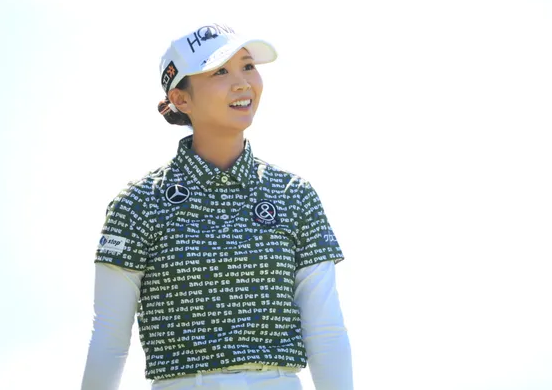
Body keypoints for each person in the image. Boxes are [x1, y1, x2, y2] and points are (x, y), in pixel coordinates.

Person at [81, 22, 353, 390]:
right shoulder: (138, 203)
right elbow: (109, 340)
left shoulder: (293, 194)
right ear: (181, 99)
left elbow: (325, 331)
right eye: (220, 72)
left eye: (247, 66)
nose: (242, 83)